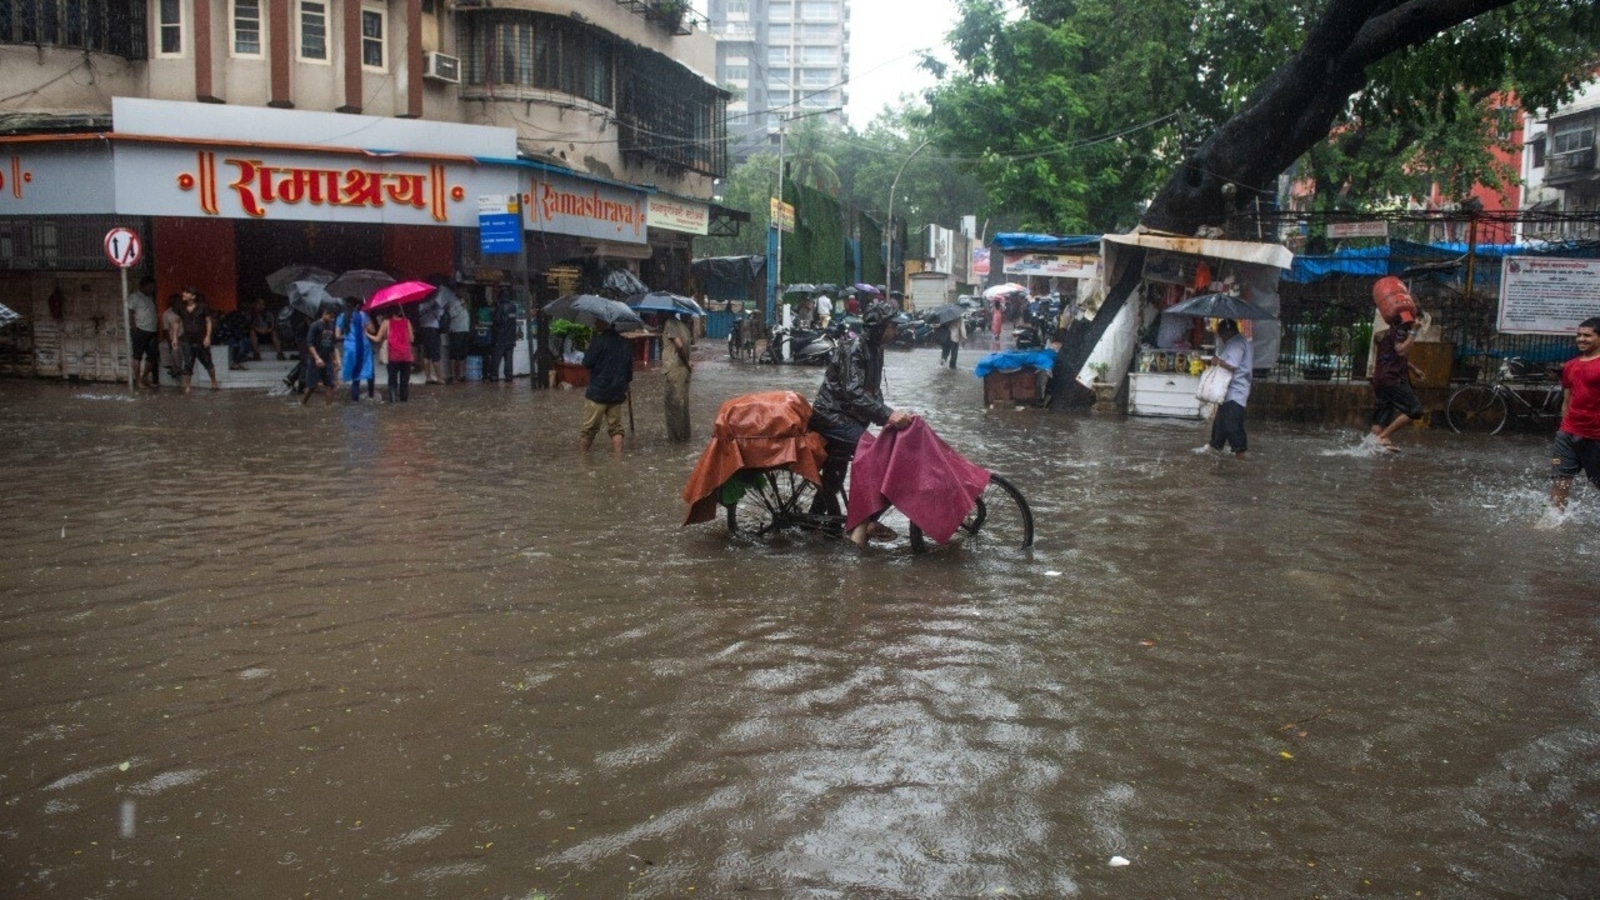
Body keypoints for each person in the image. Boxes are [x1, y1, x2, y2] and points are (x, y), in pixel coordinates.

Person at [808, 298, 914, 540]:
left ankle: (815, 521)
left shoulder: (876, 348)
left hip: (849, 418)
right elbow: (853, 392)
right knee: (871, 454)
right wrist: (887, 414)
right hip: (831, 415)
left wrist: (888, 419)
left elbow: (873, 391)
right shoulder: (854, 348)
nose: (896, 331)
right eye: (892, 326)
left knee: (833, 479)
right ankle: (868, 521)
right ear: (879, 327)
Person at [1548, 317, 1600, 512]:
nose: (1581, 339)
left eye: (1587, 335)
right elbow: (1567, 399)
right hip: (1569, 432)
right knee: (1560, 479)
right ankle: (1554, 518)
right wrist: (1564, 426)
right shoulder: (1570, 366)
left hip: (1596, 435)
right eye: (1579, 335)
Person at [1369, 318, 1425, 451]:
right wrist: (1414, 331)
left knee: (1381, 419)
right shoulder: (1401, 330)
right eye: (1418, 317)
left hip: (1381, 379)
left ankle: (1372, 448)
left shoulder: (1391, 330)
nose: (1419, 321)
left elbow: (1395, 356)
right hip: (1392, 379)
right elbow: (1401, 351)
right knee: (1415, 410)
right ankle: (1382, 438)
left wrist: (1414, 369)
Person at [579, 319, 633, 455]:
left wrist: (589, 347)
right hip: (616, 394)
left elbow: (586, 363)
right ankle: (618, 461)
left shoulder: (598, 340)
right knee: (616, 429)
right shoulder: (624, 343)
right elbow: (629, 372)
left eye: (598, 320)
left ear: (606, 323)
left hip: (598, 393)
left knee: (588, 430)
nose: (595, 322)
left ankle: (582, 460)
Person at [1205, 318, 1253, 458]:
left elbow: (1232, 365)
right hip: (1229, 392)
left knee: (1233, 426)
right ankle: (1214, 446)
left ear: (1227, 333)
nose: (1221, 339)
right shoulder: (1239, 342)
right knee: (1220, 424)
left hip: (1235, 393)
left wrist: (1217, 361)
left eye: (1221, 335)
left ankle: (1241, 456)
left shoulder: (1236, 344)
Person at [174, 287, 219, 393]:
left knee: (208, 362)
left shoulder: (202, 307)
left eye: (187, 293)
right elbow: (176, 322)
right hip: (187, 340)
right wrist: (175, 337)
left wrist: (208, 337)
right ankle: (187, 387)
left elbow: (208, 321)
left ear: (193, 296)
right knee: (188, 363)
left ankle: (214, 381)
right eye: (184, 292)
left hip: (201, 340)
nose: (184, 294)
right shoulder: (180, 307)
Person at [662, 311, 694, 442]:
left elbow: (679, 345)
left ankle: (676, 441)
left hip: (675, 369)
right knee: (683, 406)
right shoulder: (684, 326)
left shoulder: (670, 324)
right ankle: (685, 437)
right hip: (684, 370)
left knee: (673, 405)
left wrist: (685, 361)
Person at [337, 297, 376, 402]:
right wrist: (367, 324)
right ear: (357, 305)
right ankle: (371, 395)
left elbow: (337, 336)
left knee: (355, 374)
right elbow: (373, 330)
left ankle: (355, 399)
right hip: (364, 346)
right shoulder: (363, 315)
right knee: (369, 370)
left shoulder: (341, 317)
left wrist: (347, 335)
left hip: (350, 348)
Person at [300, 304, 338, 405]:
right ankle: (303, 403)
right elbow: (309, 343)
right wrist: (317, 358)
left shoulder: (330, 326)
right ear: (324, 314)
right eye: (331, 317)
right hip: (314, 360)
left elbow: (331, 344)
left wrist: (334, 359)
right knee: (312, 386)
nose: (332, 319)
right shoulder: (315, 325)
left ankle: (328, 408)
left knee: (330, 385)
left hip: (327, 359)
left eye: (333, 317)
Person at [126, 276, 160, 388]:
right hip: (141, 330)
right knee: (137, 356)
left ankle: (144, 377)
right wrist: (134, 328)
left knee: (153, 355)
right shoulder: (135, 297)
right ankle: (138, 381)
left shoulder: (149, 297)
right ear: (143, 286)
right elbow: (130, 313)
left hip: (152, 330)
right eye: (150, 286)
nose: (152, 289)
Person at [376, 308, 415, 402]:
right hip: (406, 356)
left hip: (393, 357)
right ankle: (404, 401)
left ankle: (393, 401)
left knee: (392, 380)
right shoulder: (407, 322)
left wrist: (366, 333)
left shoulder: (386, 323)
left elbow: (377, 339)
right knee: (404, 381)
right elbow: (412, 339)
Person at [488, 289, 519, 384]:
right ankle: (509, 377)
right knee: (509, 360)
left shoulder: (500, 308)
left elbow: (497, 321)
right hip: (511, 338)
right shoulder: (513, 307)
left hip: (500, 338)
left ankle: (494, 377)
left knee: (496, 359)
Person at [416, 289, 444, 384]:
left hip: (423, 329)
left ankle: (428, 377)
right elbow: (441, 314)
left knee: (426, 355)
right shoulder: (435, 304)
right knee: (436, 355)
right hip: (433, 330)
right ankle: (439, 378)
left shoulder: (421, 304)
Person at [445, 288, 471, 383]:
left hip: (464, 330)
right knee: (454, 354)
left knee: (463, 354)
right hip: (456, 331)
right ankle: (453, 375)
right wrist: (461, 307)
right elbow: (451, 314)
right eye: (462, 291)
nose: (463, 294)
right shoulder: (452, 302)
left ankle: (461, 375)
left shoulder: (464, 301)